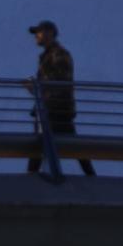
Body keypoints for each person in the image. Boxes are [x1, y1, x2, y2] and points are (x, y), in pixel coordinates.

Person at [26, 20, 96, 176]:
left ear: (49, 33)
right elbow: (55, 84)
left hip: (54, 110)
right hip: (53, 109)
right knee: (71, 146)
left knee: (40, 145)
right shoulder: (50, 55)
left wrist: (39, 89)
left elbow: (61, 84)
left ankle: (29, 181)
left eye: (39, 32)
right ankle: (92, 178)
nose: (36, 36)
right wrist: (36, 88)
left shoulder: (59, 55)